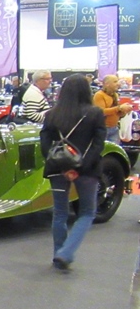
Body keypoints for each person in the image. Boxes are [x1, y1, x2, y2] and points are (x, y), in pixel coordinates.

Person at [40, 74, 105, 272]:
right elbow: (98, 145)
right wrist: (79, 167)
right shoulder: (95, 113)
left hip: (57, 169)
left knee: (59, 212)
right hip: (87, 170)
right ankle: (66, 253)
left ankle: (58, 254)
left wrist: (61, 165)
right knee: (87, 212)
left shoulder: (52, 114)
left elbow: (44, 143)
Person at [92, 74, 131, 144]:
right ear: (107, 84)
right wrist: (119, 108)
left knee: (114, 150)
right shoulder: (99, 95)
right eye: (115, 82)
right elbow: (101, 112)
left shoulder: (115, 95)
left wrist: (123, 111)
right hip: (103, 129)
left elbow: (116, 113)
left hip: (114, 128)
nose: (118, 84)